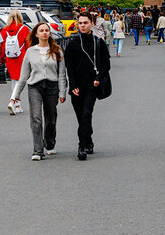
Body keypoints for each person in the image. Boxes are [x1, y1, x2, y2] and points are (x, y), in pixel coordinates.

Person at [9, 22, 68, 161]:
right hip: (35, 86)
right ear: (36, 34)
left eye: (47, 30)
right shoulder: (30, 51)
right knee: (36, 117)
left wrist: (62, 92)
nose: (44, 33)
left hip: (52, 86)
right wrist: (15, 96)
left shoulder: (57, 50)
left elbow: (61, 74)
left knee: (51, 118)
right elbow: (23, 76)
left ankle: (49, 142)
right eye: (41, 30)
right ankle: (37, 150)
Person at [63, 11, 111, 160]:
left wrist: (98, 77)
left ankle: (81, 146)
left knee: (86, 114)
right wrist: (72, 86)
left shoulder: (98, 42)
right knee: (81, 117)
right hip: (77, 86)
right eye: (80, 23)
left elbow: (106, 64)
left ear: (91, 24)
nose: (83, 25)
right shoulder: (72, 44)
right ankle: (88, 140)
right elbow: (69, 68)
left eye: (85, 23)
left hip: (92, 85)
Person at [0, 10, 32, 114]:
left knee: (14, 80)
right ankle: (12, 102)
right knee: (20, 81)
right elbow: (28, 44)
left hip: (10, 58)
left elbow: (3, 46)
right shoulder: (24, 28)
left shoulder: (4, 30)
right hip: (21, 57)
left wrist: (2, 58)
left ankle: (17, 106)